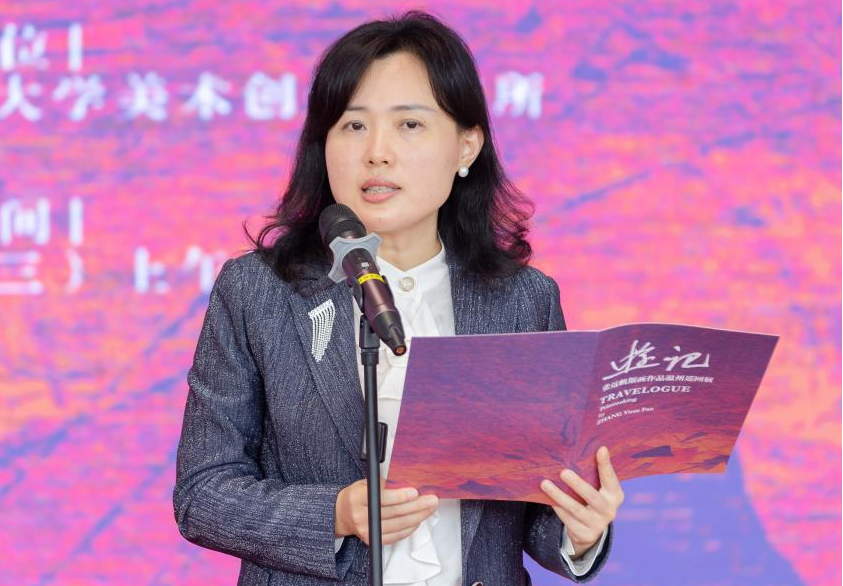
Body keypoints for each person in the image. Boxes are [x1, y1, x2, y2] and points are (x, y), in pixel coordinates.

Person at [173, 11, 624, 586]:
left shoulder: (522, 301)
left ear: (467, 146)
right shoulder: (258, 292)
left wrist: (579, 528)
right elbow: (203, 493)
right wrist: (335, 514)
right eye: (353, 125)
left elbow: (529, 506)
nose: (377, 152)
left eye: (409, 124)